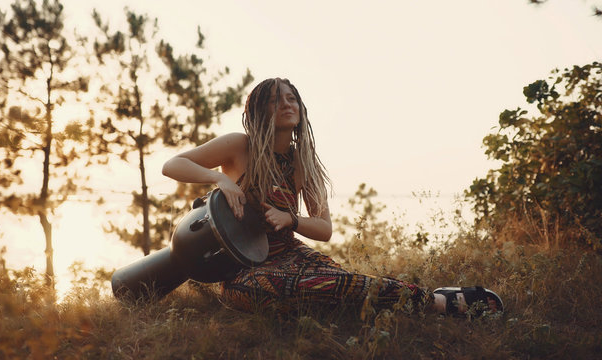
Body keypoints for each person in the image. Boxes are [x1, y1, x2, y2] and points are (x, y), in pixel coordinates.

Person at [162, 77, 503, 316]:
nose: (286, 104)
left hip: (292, 255)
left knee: (339, 282)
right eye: (275, 99)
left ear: (301, 109)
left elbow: (324, 229)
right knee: (264, 292)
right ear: (258, 110)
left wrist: (291, 220)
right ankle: (436, 303)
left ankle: (438, 301)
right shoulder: (240, 146)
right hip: (244, 270)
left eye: (291, 98)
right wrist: (220, 179)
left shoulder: (302, 163)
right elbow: (173, 164)